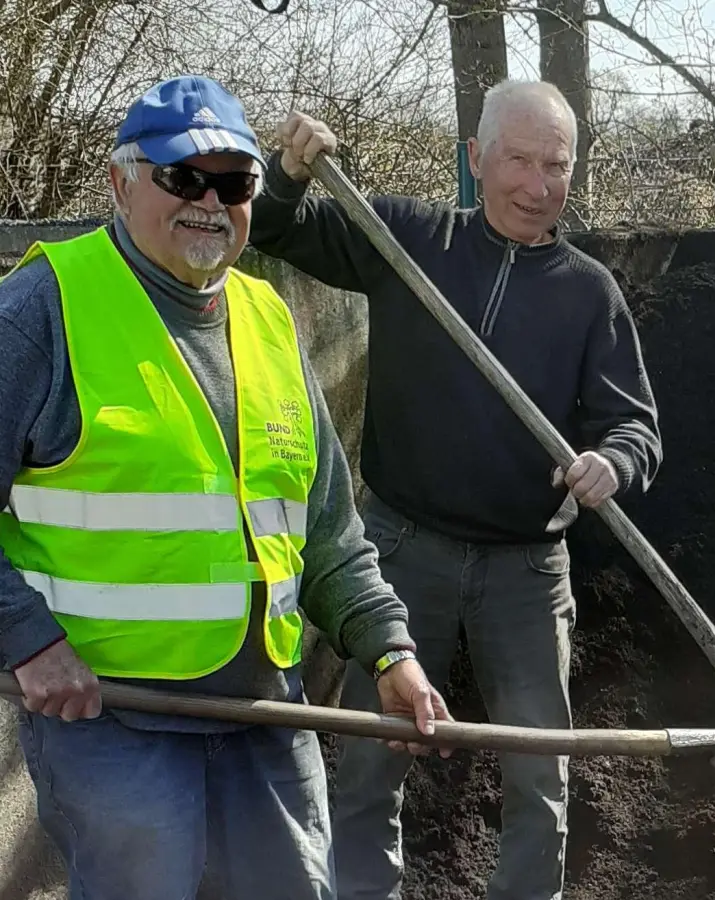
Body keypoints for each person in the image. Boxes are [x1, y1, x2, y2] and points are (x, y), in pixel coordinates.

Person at [0, 75, 449, 900]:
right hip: (113, 720)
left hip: (264, 714)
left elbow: (325, 528)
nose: (210, 201)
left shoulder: (268, 317)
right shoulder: (40, 311)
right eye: (182, 177)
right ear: (121, 182)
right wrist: (26, 639)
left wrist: (390, 648)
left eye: (234, 181)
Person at [247, 78, 663, 900]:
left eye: (558, 166)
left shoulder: (589, 293)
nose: (539, 186)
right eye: (519, 159)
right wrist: (289, 169)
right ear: (474, 159)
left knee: (540, 773)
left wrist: (611, 462)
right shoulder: (407, 238)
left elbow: (636, 425)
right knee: (371, 757)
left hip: (527, 571)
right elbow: (273, 228)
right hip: (401, 549)